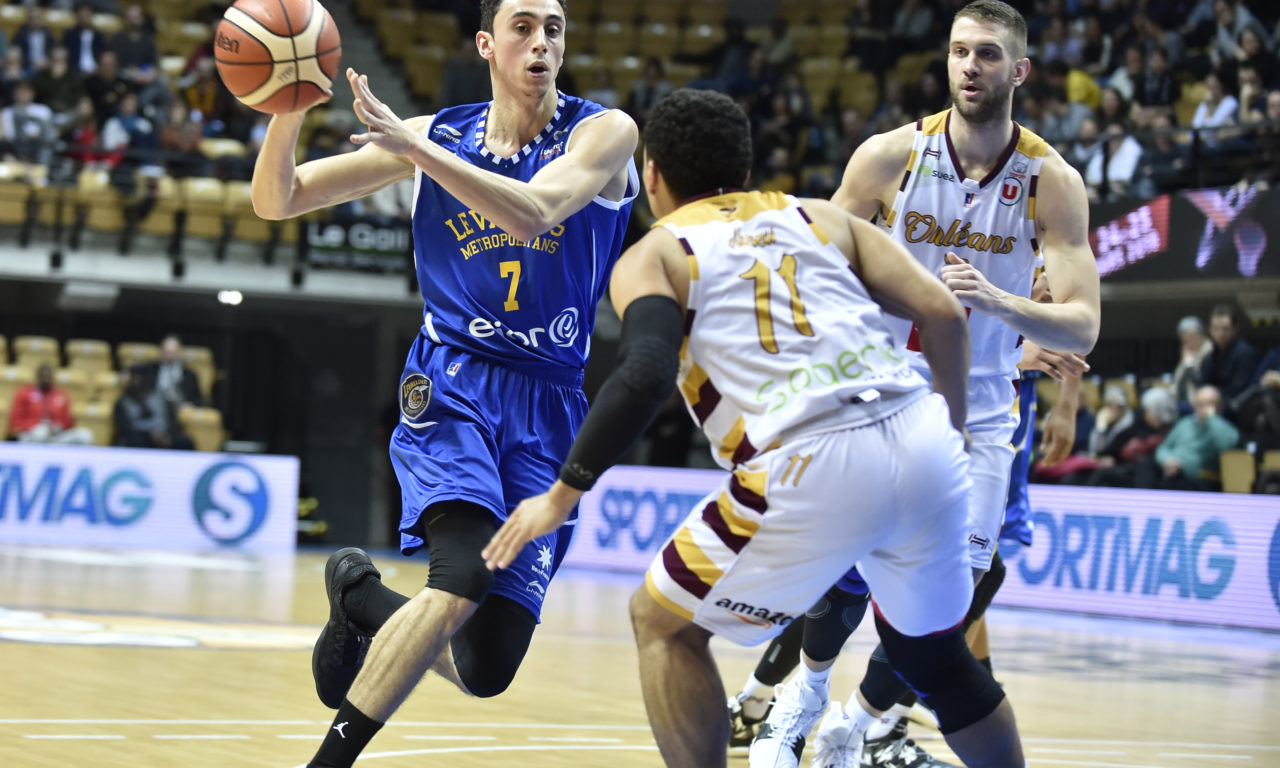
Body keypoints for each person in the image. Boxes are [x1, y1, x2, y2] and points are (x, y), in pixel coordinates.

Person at [483, 86, 1025, 768]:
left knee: (662, 624)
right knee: (937, 658)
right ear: (743, 167)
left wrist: (562, 494)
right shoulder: (822, 218)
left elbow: (645, 373)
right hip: (922, 439)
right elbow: (943, 313)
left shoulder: (656, 254)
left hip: (810, 456)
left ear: (651, 174)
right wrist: (950, 432)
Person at [249, 2, 638, 767]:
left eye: (554, 28)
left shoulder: (605, 132)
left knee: (487, 667)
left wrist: (415, 151)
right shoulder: (436, 134)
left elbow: (533, 214)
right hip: (451, 382)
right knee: (456, 577)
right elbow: (279, 198)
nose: (542, 42)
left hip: (550, 400)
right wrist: (287, 107)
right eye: (523, 26)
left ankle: (359, 595)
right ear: (487, 45)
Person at [743, 2, 1101, 765]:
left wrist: (1002, 302)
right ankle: (798, 701)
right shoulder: (889, 157)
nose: (970, 66)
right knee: (845, 564)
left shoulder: (1052, 181)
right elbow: (817, 267)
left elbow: (1084, 327)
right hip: (886, 398)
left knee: (948, 605)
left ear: (1020, 71)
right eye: (960, 52)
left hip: (981, 414)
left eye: (988, 55)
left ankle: (854, 720)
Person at [1136, 384, 1239, 490]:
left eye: (1209, 405)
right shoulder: (1185, 423)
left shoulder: (1225, 428)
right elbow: (1163, 448)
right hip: (1171, 468)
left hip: (1197, 479)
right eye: (1200, 404)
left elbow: (1225, 445)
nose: (1204, 409)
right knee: (1145, 465)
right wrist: (1167, 460)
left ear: (1219, 407)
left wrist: (1211, 419)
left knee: (1173, 484)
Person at [112, 364, 195, 450]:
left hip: (163, 434)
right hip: (140, 436)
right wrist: (149, 434)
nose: (136, 381)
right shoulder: (123, 402)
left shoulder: (160, 397)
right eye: (134, 378)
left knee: (184, 442)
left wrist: (167, 435)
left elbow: (172, 420)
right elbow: (124, 428)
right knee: (135, 441)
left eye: (139, 378)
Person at [8, 364, 94, 445]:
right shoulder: (25, 394)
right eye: (43, 376)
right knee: (41, 433)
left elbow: (69, 422)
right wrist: (35, 426)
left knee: (85, 435)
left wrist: (56, 427)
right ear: (38, 377)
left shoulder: (61, 395)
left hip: (56, 437)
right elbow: (16, 422)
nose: (46, 379)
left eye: (48, 376)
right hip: (32, 435)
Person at [1200, 303, 1259, 410]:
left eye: (1225, 329)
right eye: (1216, 328)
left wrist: (1213, 395)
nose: (1220, 333)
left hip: (1237, 405)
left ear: (1235, 329)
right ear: (1210, 330)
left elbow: (1240, 388)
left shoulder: (1245, 353)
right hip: (1211, 402)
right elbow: (1204, 383)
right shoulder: (1209, 357)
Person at [139, 333, 204, 408]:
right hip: (155, 407)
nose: (170, 356)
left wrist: (191, 405)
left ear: (179, 352)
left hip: (178, 408)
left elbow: (200, 400)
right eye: (167, 352)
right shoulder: (152, 370)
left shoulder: (189, 374)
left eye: (173, 352)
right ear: (161, 352)